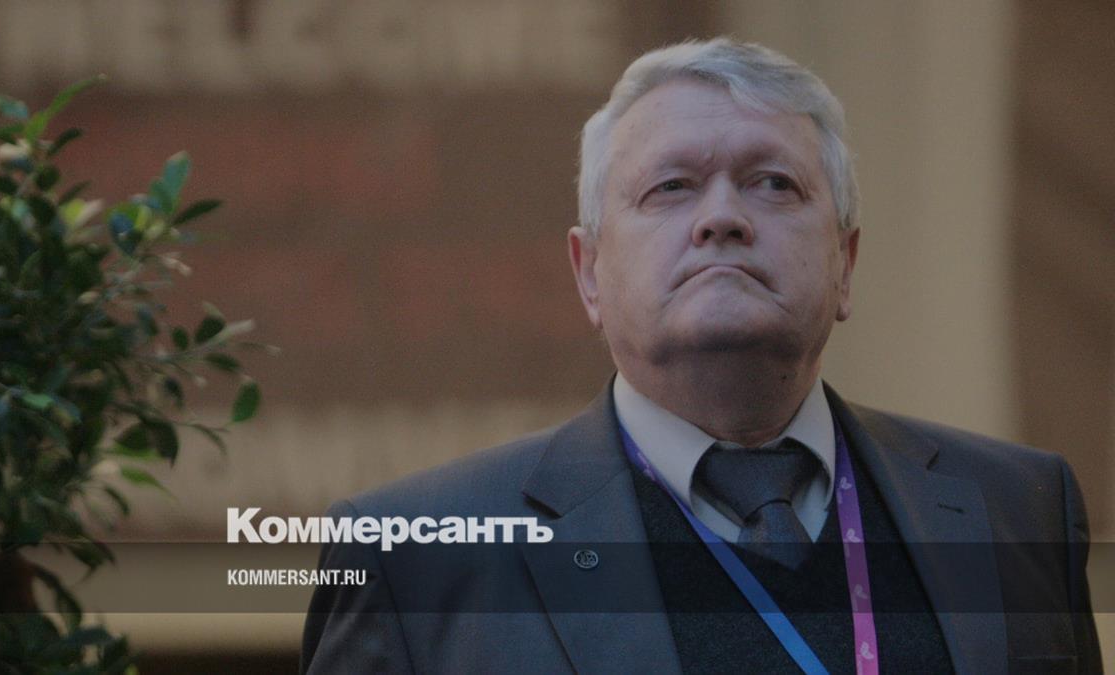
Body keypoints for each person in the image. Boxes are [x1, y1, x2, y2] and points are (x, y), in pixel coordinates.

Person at [301, 37, 1101, 673]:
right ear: (589, 273)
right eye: (672, 187)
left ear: (845, 265)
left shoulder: (1019, 510)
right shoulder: (413, 558)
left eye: (774, 184)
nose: (723, 218)